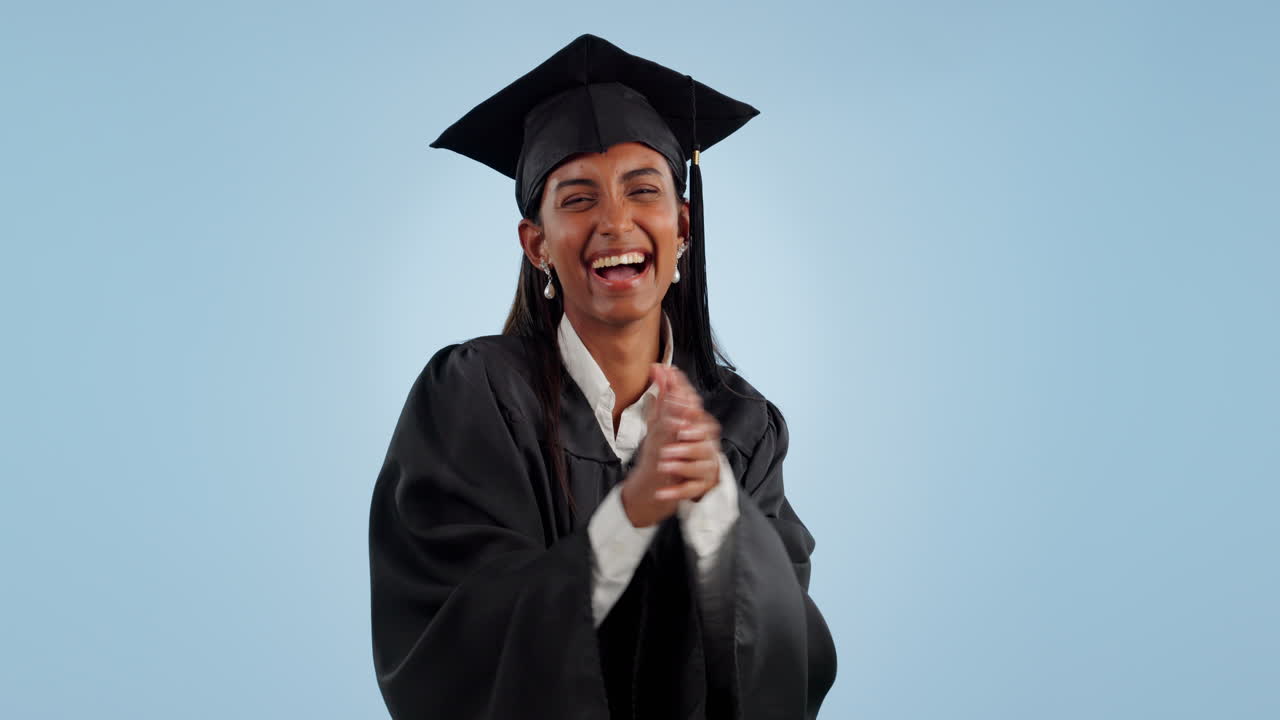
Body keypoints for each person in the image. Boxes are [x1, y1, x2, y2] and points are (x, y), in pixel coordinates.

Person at [368, 34, 837, 720]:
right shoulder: (474, 395)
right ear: (537, 245)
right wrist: (630, 516)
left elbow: (792, 658)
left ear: (682, 227)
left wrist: (713, 513)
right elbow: (452, 631)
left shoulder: (741, 429)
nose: (615, 221)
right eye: (578, 198)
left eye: (642, 190)